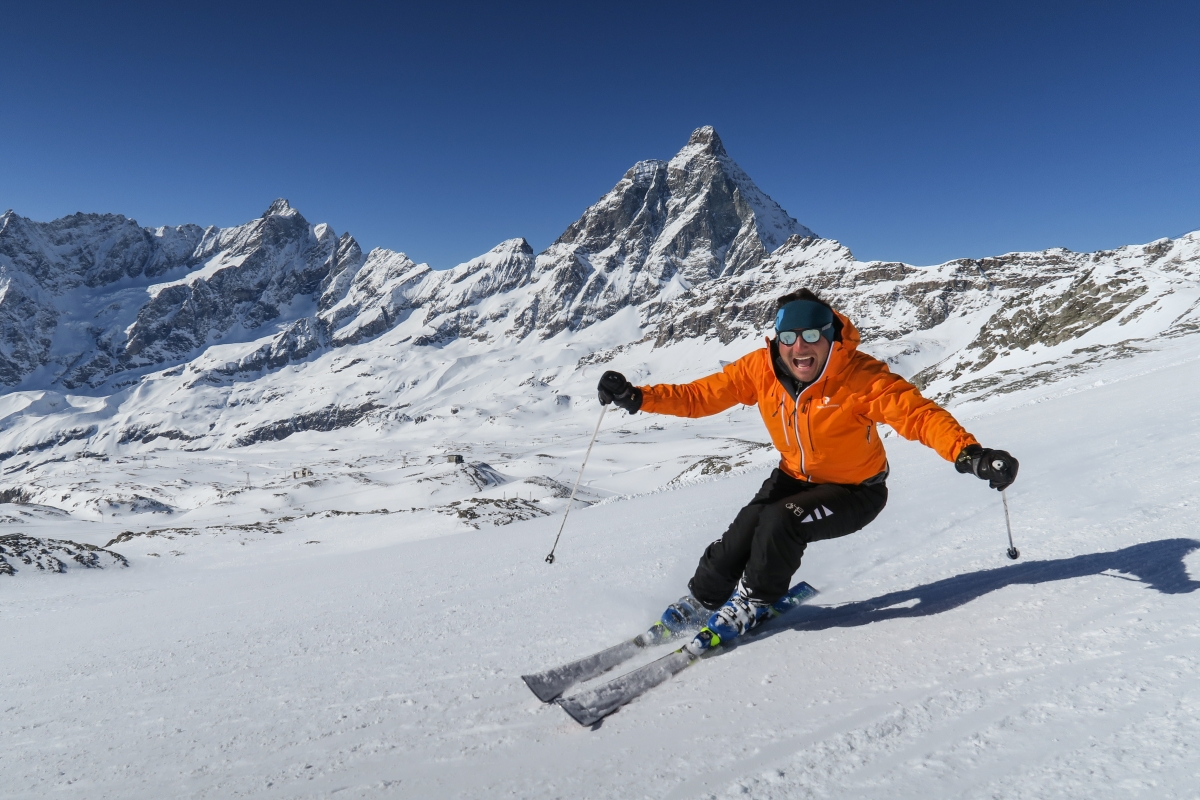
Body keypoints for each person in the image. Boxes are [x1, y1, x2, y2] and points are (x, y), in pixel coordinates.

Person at [597, 288, 1018, 652]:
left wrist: (970, 454)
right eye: (790, 337)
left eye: (813, 335)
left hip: (857, 490)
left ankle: (756, 600)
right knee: (746, 527)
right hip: (794, 475)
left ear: (831, 338)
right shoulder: (759, 370)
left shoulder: (861, 377)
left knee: (782, 521)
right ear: (776, 340)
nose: (801, 347)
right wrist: (637, 396)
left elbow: (919, 417)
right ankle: (703, 600)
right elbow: (701, 396)